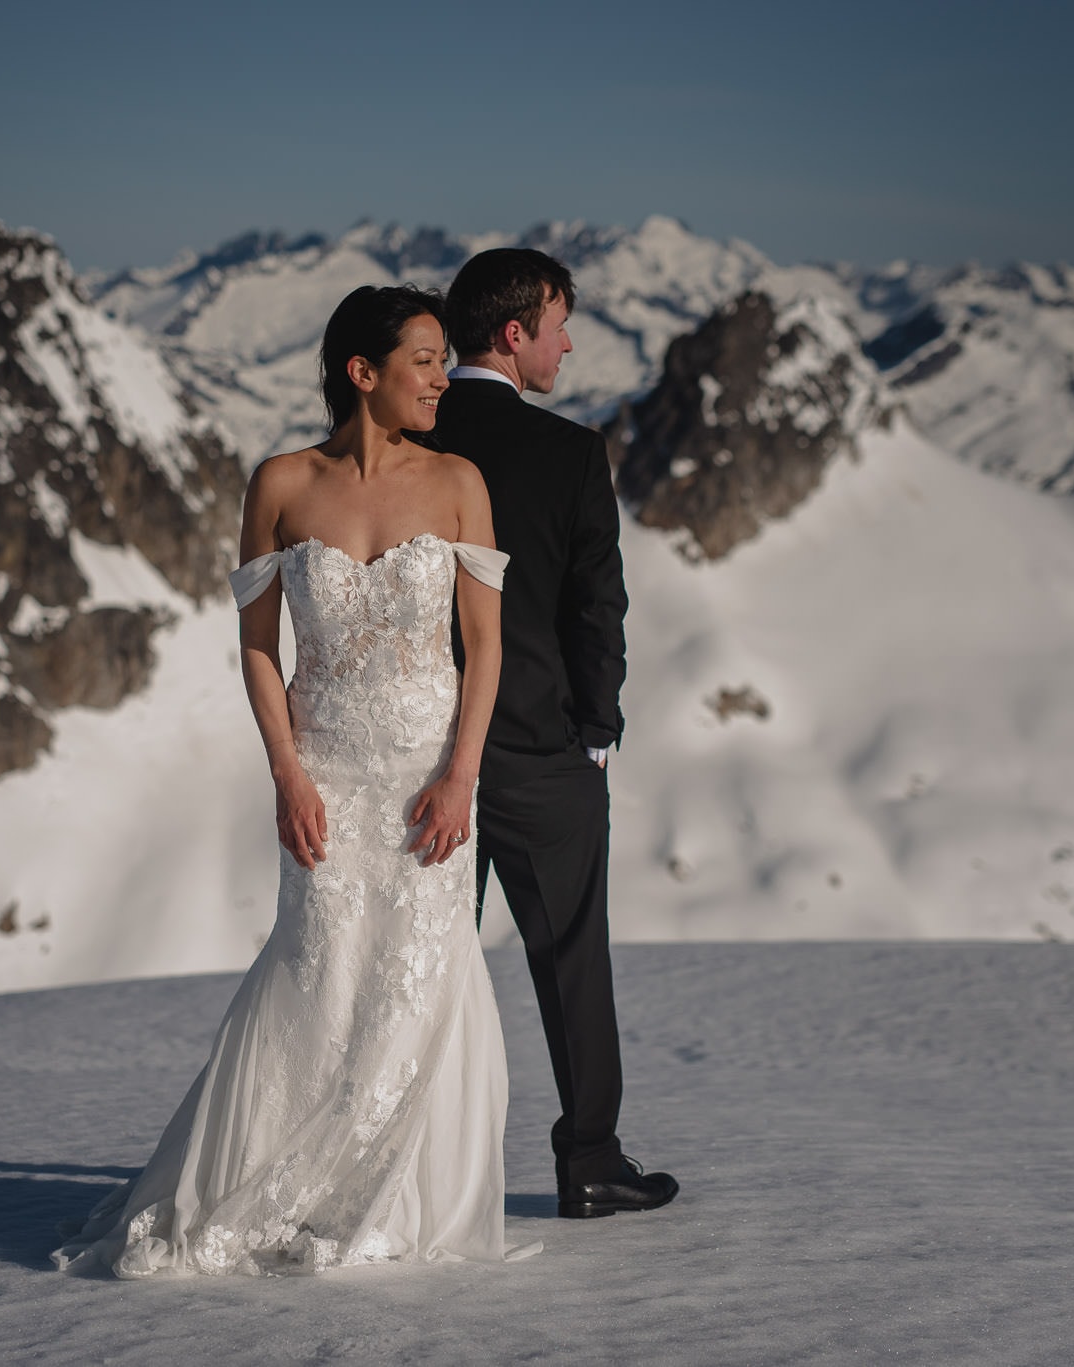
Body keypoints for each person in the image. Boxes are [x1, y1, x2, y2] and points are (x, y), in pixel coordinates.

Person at [54, 285, 527, 1277]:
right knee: (317, 970)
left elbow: (484, 648)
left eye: (445, 359)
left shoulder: (457, 482)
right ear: (363, 371)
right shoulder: (278, 482)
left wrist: (460, 775)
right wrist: (285, 771)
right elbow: (258, 646)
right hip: (325, 774)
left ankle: (381, 1199)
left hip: (425, 777)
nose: (445, 377)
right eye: (427, 359)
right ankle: (274, 1184)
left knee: (416, 978)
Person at [424, 248, 678, 1219]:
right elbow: (593, 610)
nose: (568, 342)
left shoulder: (404, 436)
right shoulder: (569, 453)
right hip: (537, 746)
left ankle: (403, 1162)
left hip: (417, 752)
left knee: (414, 960)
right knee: (570, 955)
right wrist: (596, 733)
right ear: (512, 332)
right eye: (557, 322)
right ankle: (590, 1160)